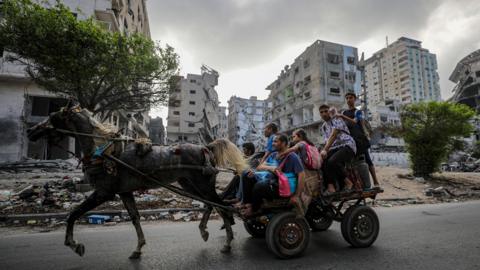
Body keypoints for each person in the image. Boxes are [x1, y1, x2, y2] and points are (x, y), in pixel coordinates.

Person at [241, 133, 305, 216]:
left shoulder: (292, 157)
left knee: (260, 186)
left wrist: (296, 195)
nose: (272, 144)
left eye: (275, 141)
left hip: (283, 186)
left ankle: (255, 209)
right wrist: (272, 168)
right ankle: (248, 204)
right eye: (273, 141)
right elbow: (260, 166)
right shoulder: (273, 155)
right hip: (271, 180)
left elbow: (301, 175)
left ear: (283, 143)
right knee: (246, 175)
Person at [337, 92, 380, 187]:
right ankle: (357, 184)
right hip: (349, 141)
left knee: (368, 160)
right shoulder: (344, 112)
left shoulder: (358, 112)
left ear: (355, 99)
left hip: (360, 140)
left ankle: (376, 181)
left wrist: (342, 116)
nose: (349, 100)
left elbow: (354, 122)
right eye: (347, 98)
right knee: (350, 163)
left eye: (351, 98)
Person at [319, 104, 356, 194]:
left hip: (347, 145)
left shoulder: (337, 119)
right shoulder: (324, 126)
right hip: (334, 148)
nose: (324, 114)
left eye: (326, 111)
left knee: (332, 161)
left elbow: (334, 135)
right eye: (321, 112)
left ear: (330, 111)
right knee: (323, 161)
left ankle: (349, 183)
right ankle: (330, 187)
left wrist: (325, 150)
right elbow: (327, 141)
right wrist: (321, 151)